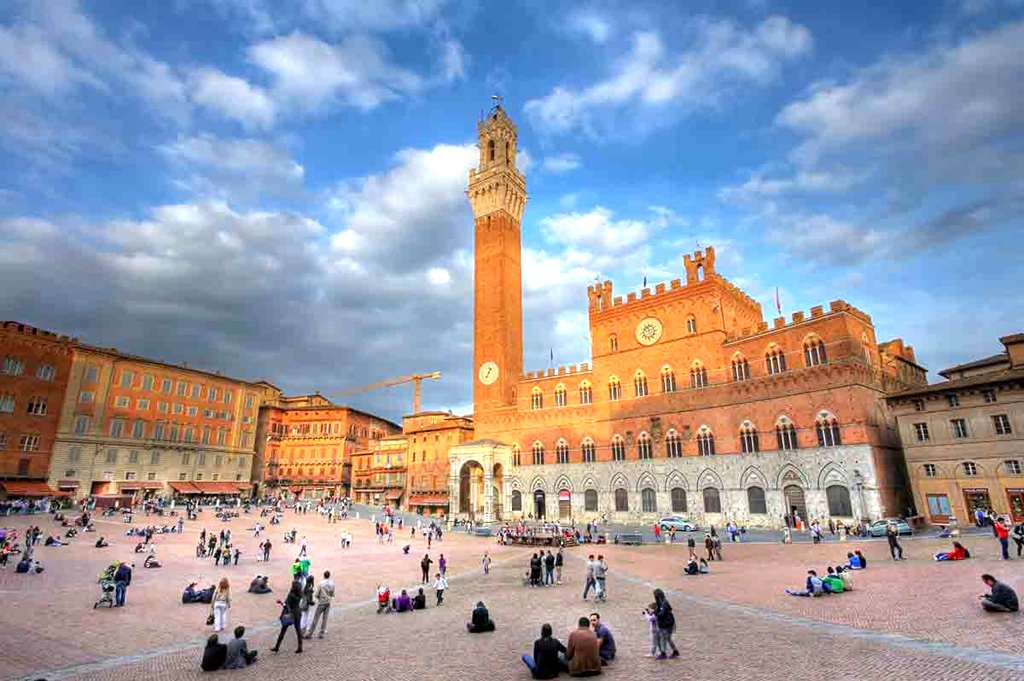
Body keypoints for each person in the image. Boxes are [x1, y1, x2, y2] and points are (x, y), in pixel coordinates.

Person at [270, 581, 304, 653]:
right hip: (298, 612)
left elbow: (287, 606)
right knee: (298, 630)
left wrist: (281, 603)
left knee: (283, 631)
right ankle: (300, 647)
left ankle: (277, 647)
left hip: (291, 614)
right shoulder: (300, 594)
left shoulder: (290, 595)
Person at [305, 570, 334, 638]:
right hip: (328, 602)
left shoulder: (321, 584)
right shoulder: (332, 584)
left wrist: (319, 598)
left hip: (321, 603)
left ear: (324, 575)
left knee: (316, 618)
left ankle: (309, 633)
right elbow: (332, 594)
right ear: (329, 576)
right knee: (325, 619)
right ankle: (321, 633)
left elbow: (316, 594)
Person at [652, 588, 679, 659]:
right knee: (666, 638)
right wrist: (654, 612)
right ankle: (672, 652)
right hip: (665, 623)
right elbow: (659, 610)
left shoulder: (664, 603)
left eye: (655, 595)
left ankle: (666, 653)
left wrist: (656, 614)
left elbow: (662, 613)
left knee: (666, 638)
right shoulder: (660, 602)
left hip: (668, 623)